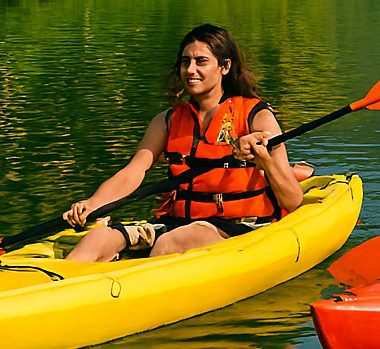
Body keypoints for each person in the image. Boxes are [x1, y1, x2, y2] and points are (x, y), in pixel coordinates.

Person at [62, 24, 304, 262]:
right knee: (98, 238)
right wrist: (92, 204)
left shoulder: (256, 116)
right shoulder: (167, 121)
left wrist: (264, 159)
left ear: (225, 66)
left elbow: (292, 200)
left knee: (173, 242)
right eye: (185, 62)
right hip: (177, 223)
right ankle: (65, 282)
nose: (190, 70)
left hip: (240, 227)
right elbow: (132, 173)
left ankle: (141, 283)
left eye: (201, 61)